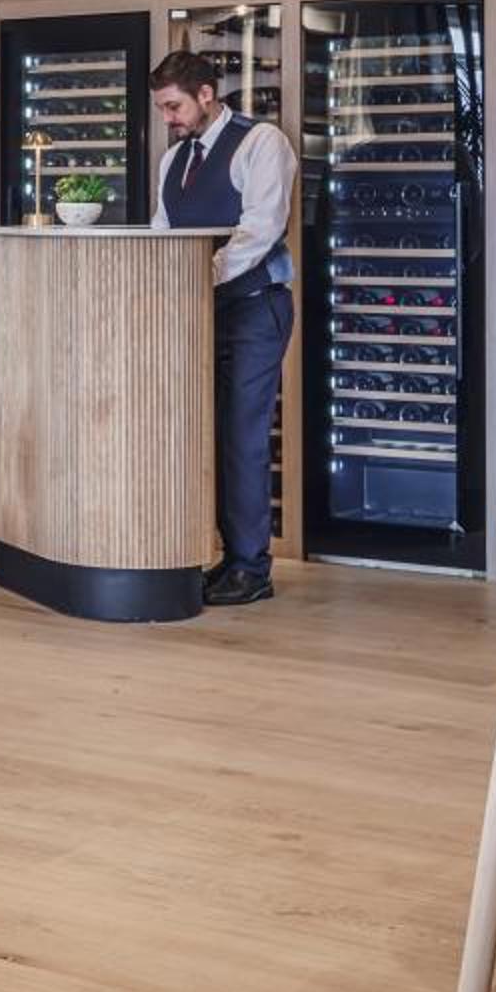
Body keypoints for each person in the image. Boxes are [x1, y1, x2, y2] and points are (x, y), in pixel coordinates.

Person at [146, 48, 296, 606]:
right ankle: (225, 556)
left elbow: (260, 230)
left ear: (206, 94)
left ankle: (251, 569)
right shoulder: (173, 161)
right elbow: (164, 231)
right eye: (163, 109)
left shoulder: (261, 143)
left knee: (242, 437)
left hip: (255, 309)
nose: (169, 119)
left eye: (174, 107)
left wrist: (197, 275)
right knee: (202, 434)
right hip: (198, 313)